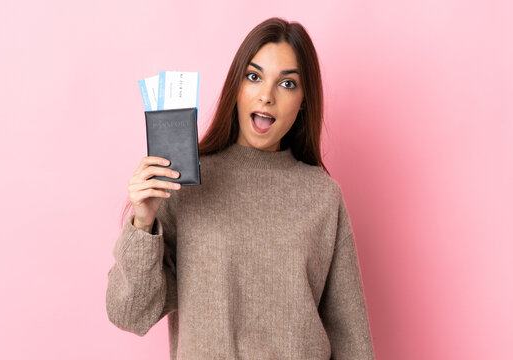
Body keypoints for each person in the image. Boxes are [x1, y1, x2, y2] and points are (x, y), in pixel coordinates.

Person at [106, 17, 375, 360]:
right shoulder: (186, 184)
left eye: (287, 84)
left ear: (304, 100)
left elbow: (352, 341)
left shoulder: (322, 196)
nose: (266, 95)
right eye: (254, 76)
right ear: (236, 86)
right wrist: (143, 224)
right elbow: (130, 314)